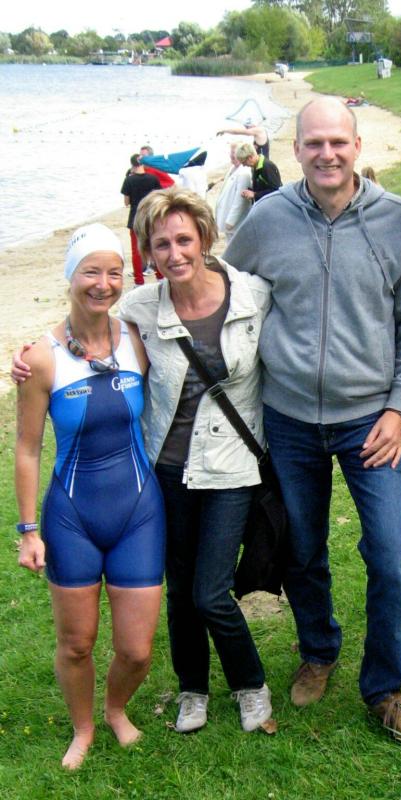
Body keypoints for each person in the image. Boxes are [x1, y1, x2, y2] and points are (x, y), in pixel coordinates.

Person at [13, 191, 274, 737]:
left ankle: (249, 685)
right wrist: (25, 358)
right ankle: (190, 691)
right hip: (158, 475)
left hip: (217, 471)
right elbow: (76, 346)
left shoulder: (241, 298)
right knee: (174, 595)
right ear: (148, 254)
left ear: (204, 239)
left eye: (184, 240)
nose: (175, 253)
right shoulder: (137, 312)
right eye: (161, 244)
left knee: (205, 595)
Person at [225, 97, 401, 744]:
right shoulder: (267, 218)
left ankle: (385, 687)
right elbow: (223, 289)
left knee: (392, 555)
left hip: (371, 420)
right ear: (296, 150)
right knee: (302, 548)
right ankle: (318, 649)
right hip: (288, 419)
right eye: (313, 143)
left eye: (337, 142)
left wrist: (399, 407)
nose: (327, 154)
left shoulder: (395, 220)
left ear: (357, 146)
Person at [14, 223, 166, 769]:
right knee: (77, 643)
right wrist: (28, 531)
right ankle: (82, 728)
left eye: (114, 272)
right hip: (72, 516)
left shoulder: (137, 340)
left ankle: (115, 709)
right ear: (70, 276)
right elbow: (27, 448)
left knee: (137, 650)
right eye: (91, 272)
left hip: (139, 513)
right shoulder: (42, 358)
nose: (103, 283)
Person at [120, 154, 160, 285]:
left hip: (135, 218)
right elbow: (159, 197)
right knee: (155, 247)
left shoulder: (129, 180)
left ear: (132, 164)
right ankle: (160, 276)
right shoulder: (153, 178)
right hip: (150, 216)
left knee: (136, 251)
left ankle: (139, 280)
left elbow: (126, 202)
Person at [215, 142, 252, 243]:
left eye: (234, 153)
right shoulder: (232, 169)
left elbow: (240, 200)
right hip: (228, 218)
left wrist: (231, 221)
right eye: (231, 152)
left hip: (236, 223)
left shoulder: (244, 173)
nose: (232, 156)